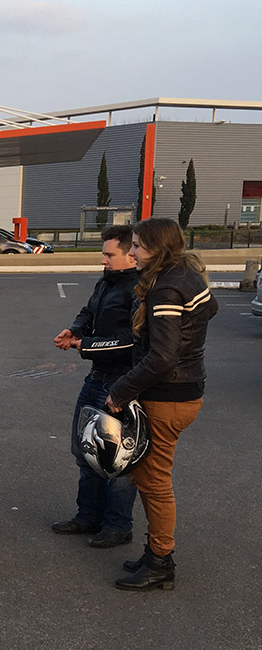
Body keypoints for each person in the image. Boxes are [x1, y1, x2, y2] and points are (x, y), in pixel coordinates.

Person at [104, 217, 217, 591]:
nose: (132, 251)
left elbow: (163, 356)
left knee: (153, 481)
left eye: (137, 245)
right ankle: (155, 550)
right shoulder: (186, 273)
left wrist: (120, 390)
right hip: (184, 390)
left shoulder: (166, 288)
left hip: (168, 396)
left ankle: (160, 562)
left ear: (158, 248)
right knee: (151, 477)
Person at [50, 225, 140, 548]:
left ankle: (117, 525)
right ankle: (87, 516)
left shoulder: (139, 290)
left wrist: (83, 344)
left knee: (118, 459)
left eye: (109, 254)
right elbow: (88, 312)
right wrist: (73, 330)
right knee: (85, 450)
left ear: (131, 255)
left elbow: (131, 343)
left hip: (122, 384)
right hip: (96, 378)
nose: (103, 260)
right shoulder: (107, 281)